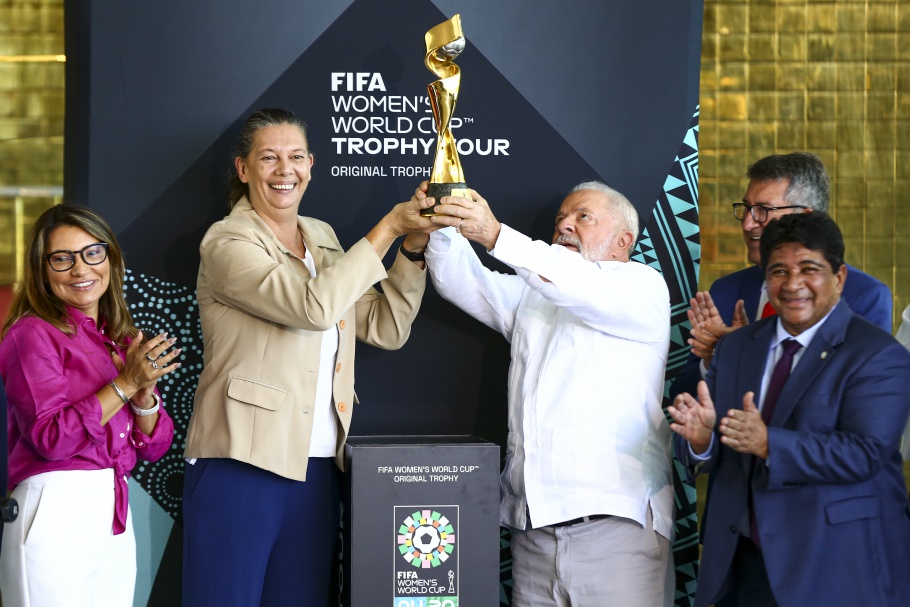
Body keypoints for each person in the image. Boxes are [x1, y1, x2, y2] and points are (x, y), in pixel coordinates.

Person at [181, 108, 436, 606]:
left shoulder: (321, 237)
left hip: (319, 465)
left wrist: (412, 247)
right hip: (241, 460)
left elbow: (385, 326)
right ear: (243, 169)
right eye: (269, 158)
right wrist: (386, 227)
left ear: (311, 165)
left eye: (295, 157)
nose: (284, 170)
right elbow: (312, 308)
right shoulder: (227, 240)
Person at [414, 181, 675, 606]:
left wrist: (496, 235)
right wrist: (445, 217)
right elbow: (461, 281)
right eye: (560, 219)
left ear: (623, 240)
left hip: (615, 528)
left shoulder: (640, 286)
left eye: (582, 217)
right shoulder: (534, 294)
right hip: (533, 531)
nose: (565, 225)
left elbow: (574, 284)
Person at [669, 212, 910, 607]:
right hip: (741, 565)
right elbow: (707, 440)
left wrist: (768, 443)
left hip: (835, 566)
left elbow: (866, 454)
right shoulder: (736, 346)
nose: (793, 283)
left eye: (809, 269)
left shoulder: (877, 355)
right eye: (778, 271)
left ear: (840, 277)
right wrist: (700, 439)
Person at [0, 204, 178, 607]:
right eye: (62, 259)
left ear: (111, 260)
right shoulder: (32, 334)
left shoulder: (119, 338)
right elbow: (52, 438)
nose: (81, 269)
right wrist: (127, 382)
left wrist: (144, 394)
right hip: (53, 509)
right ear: (42, 269)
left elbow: (154, 446)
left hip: (113, 513)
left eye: (92, 253)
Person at [672, 152, 891, 400]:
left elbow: (853, 399)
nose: (747, 224)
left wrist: (747, 355)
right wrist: (714, 362)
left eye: (763, 210)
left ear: (805, 218)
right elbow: (683, 394)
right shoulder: (726, 290)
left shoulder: (864, 295)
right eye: (746, 208)